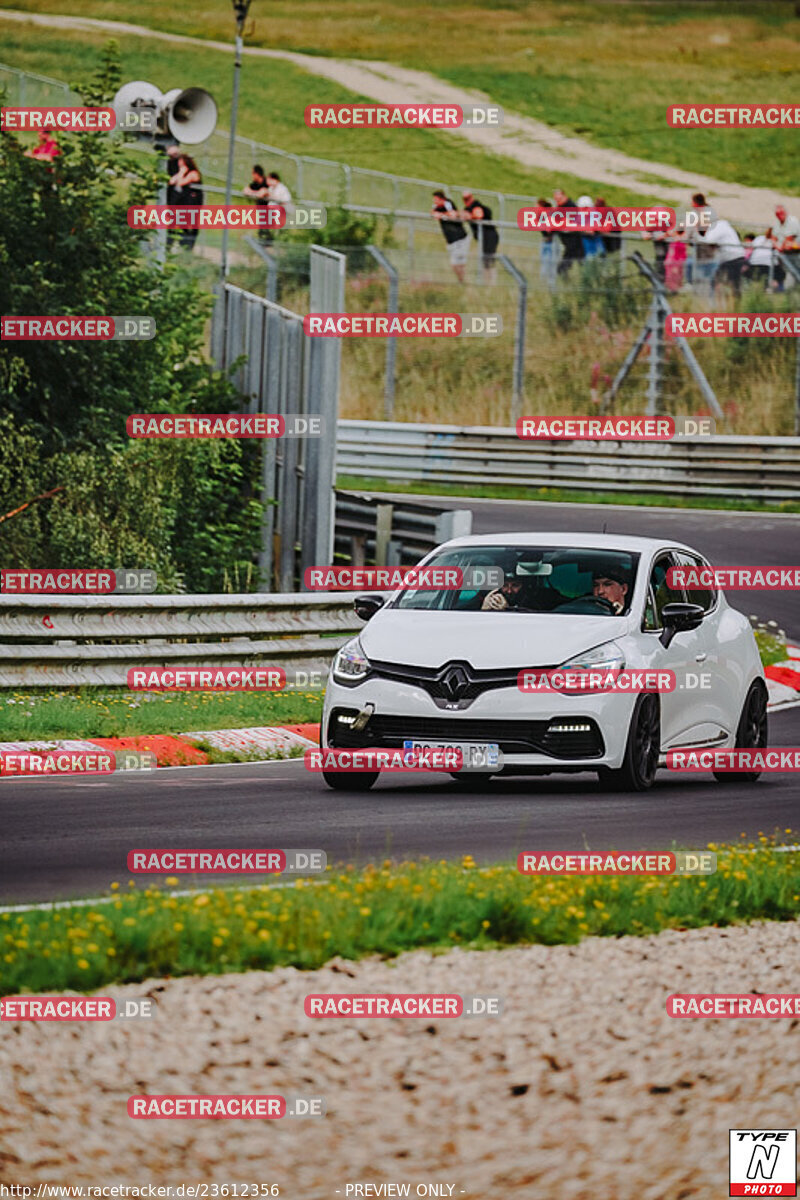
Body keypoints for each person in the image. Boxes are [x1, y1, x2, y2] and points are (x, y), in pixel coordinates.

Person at [701, 214, 745, 296]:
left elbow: (708, 241)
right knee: (734, 284)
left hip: (731, 259)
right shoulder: (723, 225)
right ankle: (733, 303)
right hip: (736, 257)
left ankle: (718, 303)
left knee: (718, 282)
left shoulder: (716, 227)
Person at [460, 191, 499, 283]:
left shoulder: (477, 205)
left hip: (489, 236)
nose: (466, 201)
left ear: (472, 197)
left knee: (488, 260)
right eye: (465, 199)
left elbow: (478, 215)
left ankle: (491, 282)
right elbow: (462, 214)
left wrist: (469, 216)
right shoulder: (467, 208)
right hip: (482, 238)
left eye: (468, 198)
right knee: (485, 260)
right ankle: (486, 281)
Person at [432, 190, 469, 282]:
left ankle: (462, 281)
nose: (434, 201)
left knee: (456, 263)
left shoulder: (448, 203)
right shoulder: (437, 206)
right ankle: (462, 281)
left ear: (441, 199)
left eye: (436, 199)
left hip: (459, 238)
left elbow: (453, 214)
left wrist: (441, 215)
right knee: (457, 264)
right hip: (451, 240)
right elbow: (433, 212)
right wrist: (437, 214)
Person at [171, 154, 203, 251]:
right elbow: (172, 181)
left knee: (192, 224)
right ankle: (183, 244)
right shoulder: (182, 173)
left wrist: (181, 172)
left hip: (193, 204)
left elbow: (181, 182)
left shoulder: (193, 173)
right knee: (182, 224)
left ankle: (189, 245)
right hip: (184, 204)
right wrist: (180, 173)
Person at [552, 188, 585, 277]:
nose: (556, 199)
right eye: (555, 197)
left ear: (563, 195)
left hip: (574, 241)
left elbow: (569, 221)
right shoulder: (559, 208)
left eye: (557, 197)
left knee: (581, 261)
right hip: (569, 243)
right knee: (567, 264)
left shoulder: (570, 206)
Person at [243, 164, 272, 242]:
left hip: (271, 209)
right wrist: (256, 193)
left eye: (253, 173)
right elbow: (245, 190)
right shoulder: (255, 184)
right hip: (261, 210)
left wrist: (254, 193)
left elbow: (263, 193)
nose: (252, 176)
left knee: (267, 228)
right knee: (262, 229)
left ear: (257, 174)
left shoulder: (267, 182)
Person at [537, 197, 558, 287]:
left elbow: (551, 229)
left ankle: (550, 282)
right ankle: (542, 282)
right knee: (544, 262)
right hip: (545, 242)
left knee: (550, 262)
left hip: (551, 243)